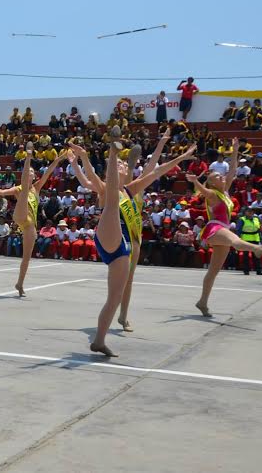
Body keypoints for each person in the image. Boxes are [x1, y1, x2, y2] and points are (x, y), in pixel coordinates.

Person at [71, 126, 196, 357]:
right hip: (109, 232)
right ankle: (113, 145)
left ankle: (99, 340)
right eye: (117, 164)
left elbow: (156, 173)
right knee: (110, 200)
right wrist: (85, 157)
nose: (121, 168)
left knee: (115, 296)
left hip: (123, 246)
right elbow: (91, 174)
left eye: (120, 164)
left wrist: (181, 157)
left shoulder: (131, 190)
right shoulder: (105, 188)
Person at [188, 138, 262, 317]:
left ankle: (202, 302)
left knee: (213, 271)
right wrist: (195, 182)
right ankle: (256, 248)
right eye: (217, 176)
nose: (221, 175)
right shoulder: (211, 194)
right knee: (235, 240)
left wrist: (234, 150)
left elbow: (232, 169)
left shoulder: (224, 191)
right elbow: (203, 191)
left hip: (222, 228)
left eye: (220, 175)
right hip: (214, 228)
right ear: (212, 183)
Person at [0, 146, 65, 296]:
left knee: (26, 258)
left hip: (30, 225)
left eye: (32, 172)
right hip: (20, 216)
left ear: (34, 176)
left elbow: (48, 173)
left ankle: (20, 284)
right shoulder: (19, 188)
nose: (30, 174)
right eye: (29, 172)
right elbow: (2, 192)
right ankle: (28, 156)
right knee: (24, 190)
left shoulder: (37, 188)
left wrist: (57, 160)